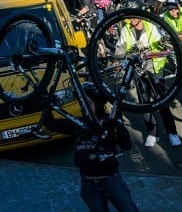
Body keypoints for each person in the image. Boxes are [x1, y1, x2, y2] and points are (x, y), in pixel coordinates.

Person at [41, 82, 139, 212]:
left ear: (98, 103)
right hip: (88, 184)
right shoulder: (78, 123)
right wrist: (47, 106)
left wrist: (118, 123)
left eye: (89, 102)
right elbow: (50, 124)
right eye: (82, 103)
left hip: (112, 181)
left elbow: (126, 145)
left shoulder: (108, 122)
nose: (84, 106)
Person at [116, 16, 181, 148]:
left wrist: (150, 51)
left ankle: (172, 133)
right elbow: (119, 48)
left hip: (155, 68)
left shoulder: (152, 27)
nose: (132, 20)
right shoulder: (125, 30)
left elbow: (164, 45)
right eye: (130, 17)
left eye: (134, 17)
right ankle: (152, 134)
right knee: (144, 103)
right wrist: (118, 58)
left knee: (162, 101)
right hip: (138, 71)